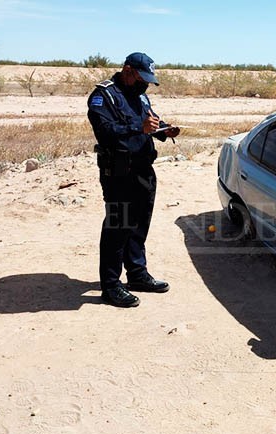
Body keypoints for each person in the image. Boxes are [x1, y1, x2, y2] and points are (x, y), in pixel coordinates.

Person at [87, 52, 180, 307]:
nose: (145, 84)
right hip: (118, 172)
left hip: (143, 170)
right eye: (142, 78)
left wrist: (164, 129)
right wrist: (138, 129)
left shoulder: (140, 94)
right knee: (118, 228)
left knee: (139, 225)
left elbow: (149, 120)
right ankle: (111, 285)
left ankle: (137, 275)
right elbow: (105, 132)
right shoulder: (103, 96)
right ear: (127, 70)